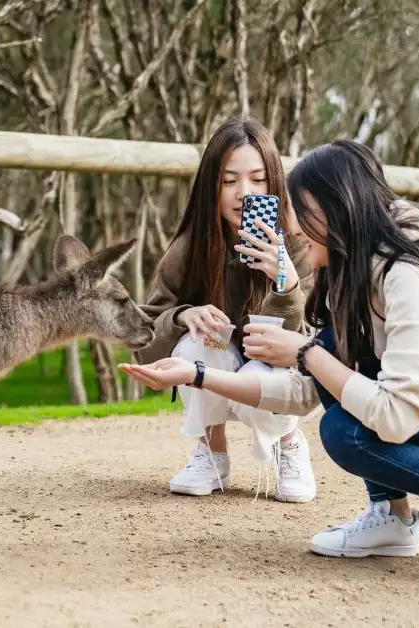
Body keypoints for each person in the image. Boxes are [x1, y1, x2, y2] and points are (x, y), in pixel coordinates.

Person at [121, 138, 419, 585]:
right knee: (345, 392)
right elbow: (306, 390)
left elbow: (396, 415)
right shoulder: (352, 268)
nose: (290, 228)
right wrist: (196, 374)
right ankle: (392, 517)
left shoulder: (409, 276)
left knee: (347, 429)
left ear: (334, 210)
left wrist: (306, 351)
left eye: (297, 211)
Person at [135, 118, 317, 501]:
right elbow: (146, 341)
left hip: (273, 371)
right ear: (210, 187)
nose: (243, 194)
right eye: (229, 181)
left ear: (275, 185)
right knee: (199, 341)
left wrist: (285, 282)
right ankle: (211, 452)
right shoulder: (189, 249)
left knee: (269, 359)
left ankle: (289, 443)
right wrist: (183, 315)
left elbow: (299, 347)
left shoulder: (299, 247)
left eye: (257, 180)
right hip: (217, 363)